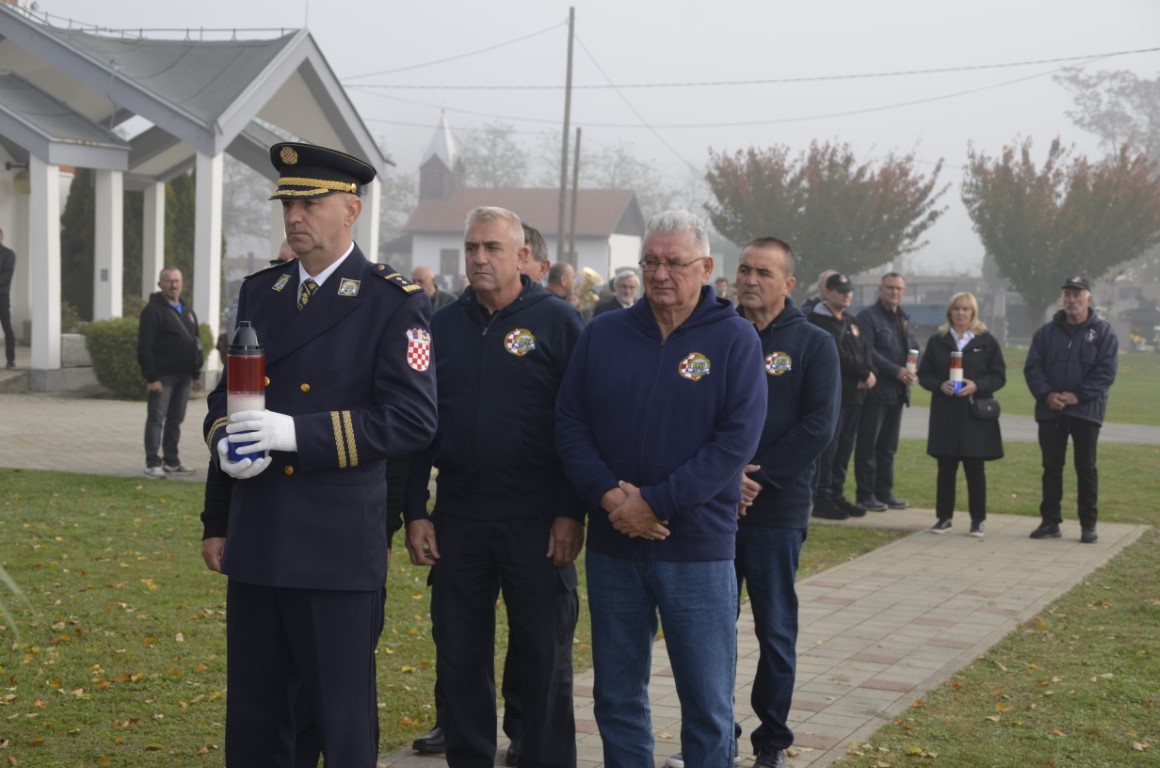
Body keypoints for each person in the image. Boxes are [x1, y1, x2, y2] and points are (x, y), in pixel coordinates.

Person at [198, 142, 438, 768]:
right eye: (287, 203)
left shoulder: (393, 301)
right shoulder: (263, 291)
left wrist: (295, 436)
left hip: (333, 547)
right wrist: (224, 448)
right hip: (260, 533)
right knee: (255, 719)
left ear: (351, 210)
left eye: (310, 203)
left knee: (340, 720)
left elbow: (413, 419)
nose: (294, 216)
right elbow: (226, 397)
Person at [556, 210, 766, 768]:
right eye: (650, 261)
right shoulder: (603, 334)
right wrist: (612, 499)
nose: (660, 273)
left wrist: (654, 503)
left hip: (696, 548)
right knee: (616, 697)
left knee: (707, 705)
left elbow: (735, 442)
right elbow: (570, 424)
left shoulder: (735, 339)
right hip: (614, 546)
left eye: (675, 262)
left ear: (706, 267)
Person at [404, 206, 583, 768]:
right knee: (459, 659)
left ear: (523, 256)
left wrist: (571, 510)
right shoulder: (438, 326)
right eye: (471, 248)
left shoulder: (560, 323)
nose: (479, 258)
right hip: (459, 519)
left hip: (538, 522)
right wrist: (415, 509)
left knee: (544, 660)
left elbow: (581, 423)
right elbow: (417, 424)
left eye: (493, 248)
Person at [668, 237, 836, 768]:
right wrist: (723, 477)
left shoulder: (813, 344)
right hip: (711, 508)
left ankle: (772, 741)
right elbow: (689, 412)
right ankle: (713, 739)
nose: (750, 280)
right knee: (709, 629)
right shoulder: (711, 335)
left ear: (789, 284)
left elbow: (819, 425)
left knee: (774, 627)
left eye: (763, 272)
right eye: (744, 269)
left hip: (775, 511)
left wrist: (759, 478)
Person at [1024, 276, 1118, 544]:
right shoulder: (1046, 333)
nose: (1072, 300)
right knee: (1051, 467)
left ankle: (1088, 524)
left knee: (1086, 468)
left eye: (1077, 294)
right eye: (1068, 294)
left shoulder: (1103, 332)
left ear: (1088, 298)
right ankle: (1050, 521)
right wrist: (1047, 395)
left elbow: (1106, 371)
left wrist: (1079, 396)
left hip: (1086, 412)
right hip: (1051, 411)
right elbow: (1033, 368)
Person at [917, 292, 1006, 537]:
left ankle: (978, 520)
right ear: (950, 312)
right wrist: (940, 385)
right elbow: (924, 375)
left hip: (974, 415)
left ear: (973, 313)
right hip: (945, 414)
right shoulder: (937, 341)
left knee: (975, 469)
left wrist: (977, 385)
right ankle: (943, 518)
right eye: (956, 309)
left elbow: (998, 376)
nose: (961, 313)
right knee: (945, 468)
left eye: (966, 309)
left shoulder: (986, 341)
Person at [808, 273, 877, 520]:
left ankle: (836, 494)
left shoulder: (851, 321)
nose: (846, 295)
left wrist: (869, 371)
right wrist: (863, 372)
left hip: (854, 396)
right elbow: (835, 353)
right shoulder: (816, 320)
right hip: (832, 396)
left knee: (844, 449)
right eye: (839, 290)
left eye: (848, 290)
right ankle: (822, 498)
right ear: (826, 292)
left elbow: (865, 349)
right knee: (829, 450)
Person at [854, 272, 918, 511]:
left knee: (888, 447)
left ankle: (884, 492)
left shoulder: (903, 318)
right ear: (880, 289)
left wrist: (912, 370)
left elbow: (913, 348)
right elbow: (868, 351)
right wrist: (896, 371)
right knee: (868, 446)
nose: (894, 292)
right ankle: (865, 494)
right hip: (875, 392)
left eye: (899, 289)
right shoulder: (868, 317)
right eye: (890, 287)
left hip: (898, 393)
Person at [138, 267, 204, 478]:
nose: (173, 285)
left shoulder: (187, 311)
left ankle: (171, 461)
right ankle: (152, 463)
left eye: (177, 281)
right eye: (168, 281)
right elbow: (145, 346)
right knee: (156, 419)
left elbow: (195, 342)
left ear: (182, 284)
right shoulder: (152, 311)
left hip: (185, 376)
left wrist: (196, 374)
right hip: (163, 377)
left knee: (176, 420)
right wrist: (152, 377)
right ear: (160, 285)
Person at [0, 227, 15, 369]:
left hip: (2, 296)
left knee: (7, 327)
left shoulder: (9, 254)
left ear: (1, 237)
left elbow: (6, 276)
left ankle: (11, 359)